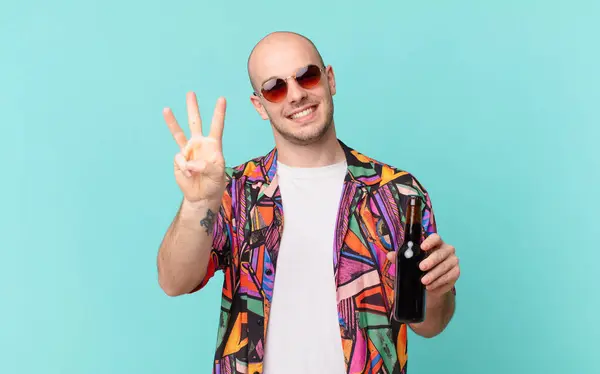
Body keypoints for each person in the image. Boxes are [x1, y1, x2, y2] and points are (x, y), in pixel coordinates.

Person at [157, 31, 460, 374]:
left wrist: (437, 290)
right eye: (275, 87)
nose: (297, 94)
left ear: (329, 79)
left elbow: (431, 324)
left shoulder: (398, 194)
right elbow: (173, 282)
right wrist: (198, 204)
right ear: (259, 105)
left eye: (307, 76)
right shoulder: (235, 191)